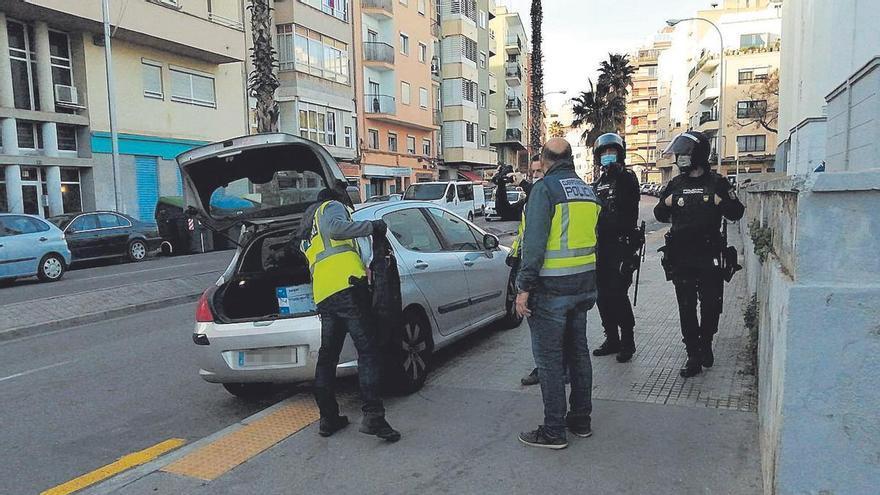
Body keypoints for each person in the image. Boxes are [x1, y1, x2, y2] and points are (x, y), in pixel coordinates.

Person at [514, 137, 601, 449]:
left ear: (545, 160)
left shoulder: (545, 189)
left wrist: (524, 288)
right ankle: (580, 420)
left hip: (551, 290)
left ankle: (553, 431)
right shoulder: (587, 191)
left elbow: (534, 245)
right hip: (583, 287)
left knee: (550, 361)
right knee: (578, 355)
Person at [300, 183, 401, 442]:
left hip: (324, 294)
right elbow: (337, 228)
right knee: (368, 351)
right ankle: (373, 417)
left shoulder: (307, 228)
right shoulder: (332, 207)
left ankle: (328, 418)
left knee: (328, 357)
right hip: (347, 288)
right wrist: (372, 227)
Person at [654, 130, 745, 378]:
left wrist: (720, 202)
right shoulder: (676, 184)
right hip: (681, 257)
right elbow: (659, 214)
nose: (681, 158)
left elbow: (736, 212)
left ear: (699, 154)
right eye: (679, 154)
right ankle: (693, 353)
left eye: (685, 153)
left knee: (711, 306)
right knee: (686, 307)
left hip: (710, 256)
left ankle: (706, 342)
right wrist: (667, 203)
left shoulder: (717, 182)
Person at [591, 133, 641, 363]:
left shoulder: (627, 179)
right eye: (604, 153)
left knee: (618, 295)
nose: (607, 156)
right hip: (601, 247)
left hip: (621, 247)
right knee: (602, 297)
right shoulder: (598, 184)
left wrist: (618, 174)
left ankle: (627, 341)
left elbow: (626, 207)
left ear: (619, 154)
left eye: (612, 152)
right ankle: (611, 338)